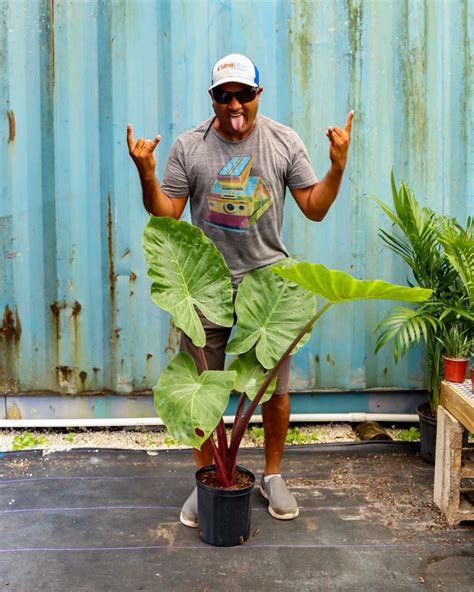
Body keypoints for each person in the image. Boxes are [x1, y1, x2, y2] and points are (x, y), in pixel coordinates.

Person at [127, 53, 353, 527]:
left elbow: (314, 207)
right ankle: (207, 478)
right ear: (212, 98)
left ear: (258, 95)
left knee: (274, 390)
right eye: (224, 95)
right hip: (203, 288)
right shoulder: (190, 147)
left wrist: (337, 167)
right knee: (199, 389)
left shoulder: (283, 141)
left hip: (268, 285)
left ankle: (272, 475)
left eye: (243, 94)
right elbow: (165, 214)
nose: (234, 103)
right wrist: (146, 173)